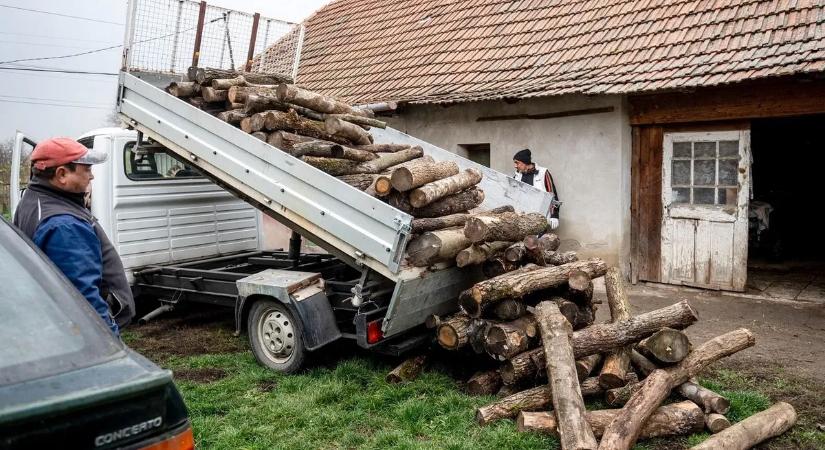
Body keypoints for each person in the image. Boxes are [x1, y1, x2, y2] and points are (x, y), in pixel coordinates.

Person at [14, 137, 135, 336]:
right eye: (86, 169)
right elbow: (85, 300)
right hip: (90, 337)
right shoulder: (64, 225)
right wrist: (111, 346)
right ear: (62, 174)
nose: (92, 176)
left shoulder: (33, 199)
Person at [512, 148, 561, 230]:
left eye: (517, 163)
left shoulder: (543, 173)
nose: (515, 166)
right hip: (522, 217)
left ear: (525, 162)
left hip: (539, 217)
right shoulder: (517, 175)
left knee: (534, 241)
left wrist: (554, 215)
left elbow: (552, 195)